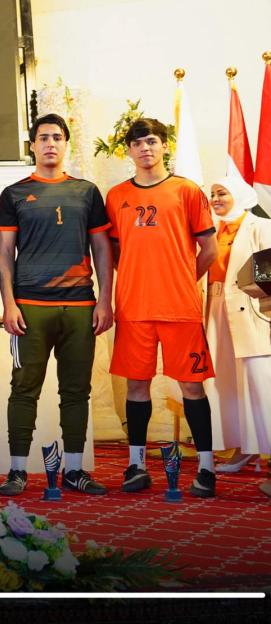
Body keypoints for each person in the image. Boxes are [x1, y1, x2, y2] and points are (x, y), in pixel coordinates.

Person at [0, 113, 114, 497]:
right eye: (43, 137)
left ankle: (74, 470)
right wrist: (9, 304)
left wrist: (105, 300)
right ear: (32, 145)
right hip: (30, 306)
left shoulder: (87, 192)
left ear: (66, 144)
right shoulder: (14, 194)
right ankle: (17, 472)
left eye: (57, 137)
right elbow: (4, 253)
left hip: (80, 306)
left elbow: (102, 249)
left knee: (77, 391)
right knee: (23, 389)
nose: (50, 143)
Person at [106, 118, 218, 497]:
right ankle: (136, 465)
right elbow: (114, 252)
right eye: (138, 143)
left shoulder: (186, 191)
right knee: (137, 385)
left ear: (164, 145)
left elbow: (209, 249)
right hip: (134, 308)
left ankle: (206, 468)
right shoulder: (116, 196)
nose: (145, 148)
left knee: (192, 386)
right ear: (129, 150)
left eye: (152, 141)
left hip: (179, 308)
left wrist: (183, 279)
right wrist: (138, 277)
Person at [203, 175, 271, 491]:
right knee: (226, 382)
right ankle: (244, 447)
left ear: (240, 195)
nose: (216, 199)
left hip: (253, 311)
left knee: (259, 382)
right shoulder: (213, 230)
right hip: (216, 309)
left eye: (222, 193)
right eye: (213, 194)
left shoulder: (260, 226)